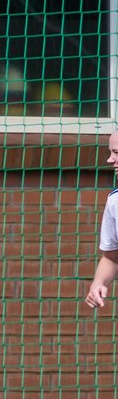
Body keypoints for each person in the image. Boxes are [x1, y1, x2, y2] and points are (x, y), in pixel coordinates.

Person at [84, 131, 118, 311]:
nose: (110, 160)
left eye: (117, 153)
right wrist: (97, 284)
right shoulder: (115, 201)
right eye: (111, 153)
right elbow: (112, 257)